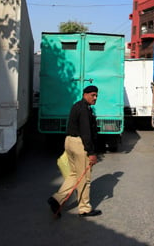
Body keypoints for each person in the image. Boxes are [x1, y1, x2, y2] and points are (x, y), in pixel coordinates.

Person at [47, 85, 101, 218]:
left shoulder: (77, 106)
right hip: (79, 144)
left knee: (74, 174)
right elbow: (86, 133)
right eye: (93, 95)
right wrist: (91, 152)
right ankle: (84, 208)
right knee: (85, 178)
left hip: (69, 142)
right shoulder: (84, 110)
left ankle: (56, 199)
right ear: (85, 94)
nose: (95, 98)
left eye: (96, 95)